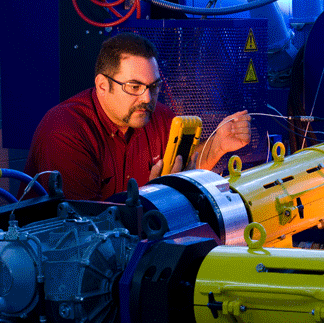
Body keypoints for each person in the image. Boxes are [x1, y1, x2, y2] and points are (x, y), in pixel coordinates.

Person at [23, 32, 251, 201]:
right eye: (134, 86)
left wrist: (217, 145)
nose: (146, 97)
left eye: (154, 86)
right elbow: (85, 228)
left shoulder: (158, 117)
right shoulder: (65, 130)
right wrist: (155, 196)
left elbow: (186, 168)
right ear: (102, 85)